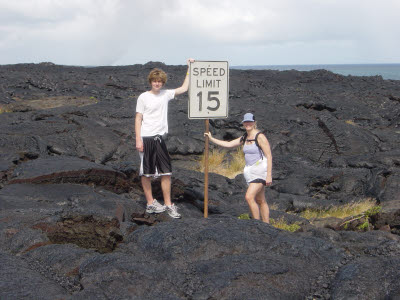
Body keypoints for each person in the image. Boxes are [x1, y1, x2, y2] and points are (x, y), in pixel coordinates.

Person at [135, 58, 194, 218]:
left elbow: (184, 88)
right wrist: (138, 140)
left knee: (166, 172)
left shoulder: (165, 94)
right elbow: (138, 118)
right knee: (146, 173)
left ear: (162, 82)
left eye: (160, 81)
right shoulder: (143, 97)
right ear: (150, 82)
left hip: (159, 138)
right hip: (146, 138)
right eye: (155, 81)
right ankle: (150, 203)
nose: (157, 83)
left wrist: (189, 68)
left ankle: (168, 205)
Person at [204, 112, 272, 223]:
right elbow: (229, 144)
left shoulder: (260, 137)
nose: (248, 124)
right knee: (260, 199)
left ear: (254, 123)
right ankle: (267, 224)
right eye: (246, 122)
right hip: (250, 171)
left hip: (260, 170)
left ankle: (257, 223)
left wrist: (268, 175)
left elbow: (269, 155)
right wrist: (211, 139)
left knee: (249, 197)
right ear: (243, 123)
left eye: (250, 122)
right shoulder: (245, 137)